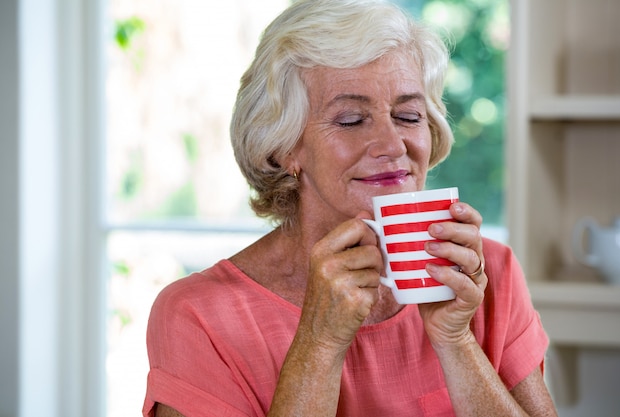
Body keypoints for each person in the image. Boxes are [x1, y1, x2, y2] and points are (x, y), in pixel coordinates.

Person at [143, 0, 558, 416]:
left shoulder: (490, 275)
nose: (393, 145)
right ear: (284, 147)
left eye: (409, 115)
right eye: (351, 120)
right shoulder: (199, 316)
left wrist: (456, 341)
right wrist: (319, 343)